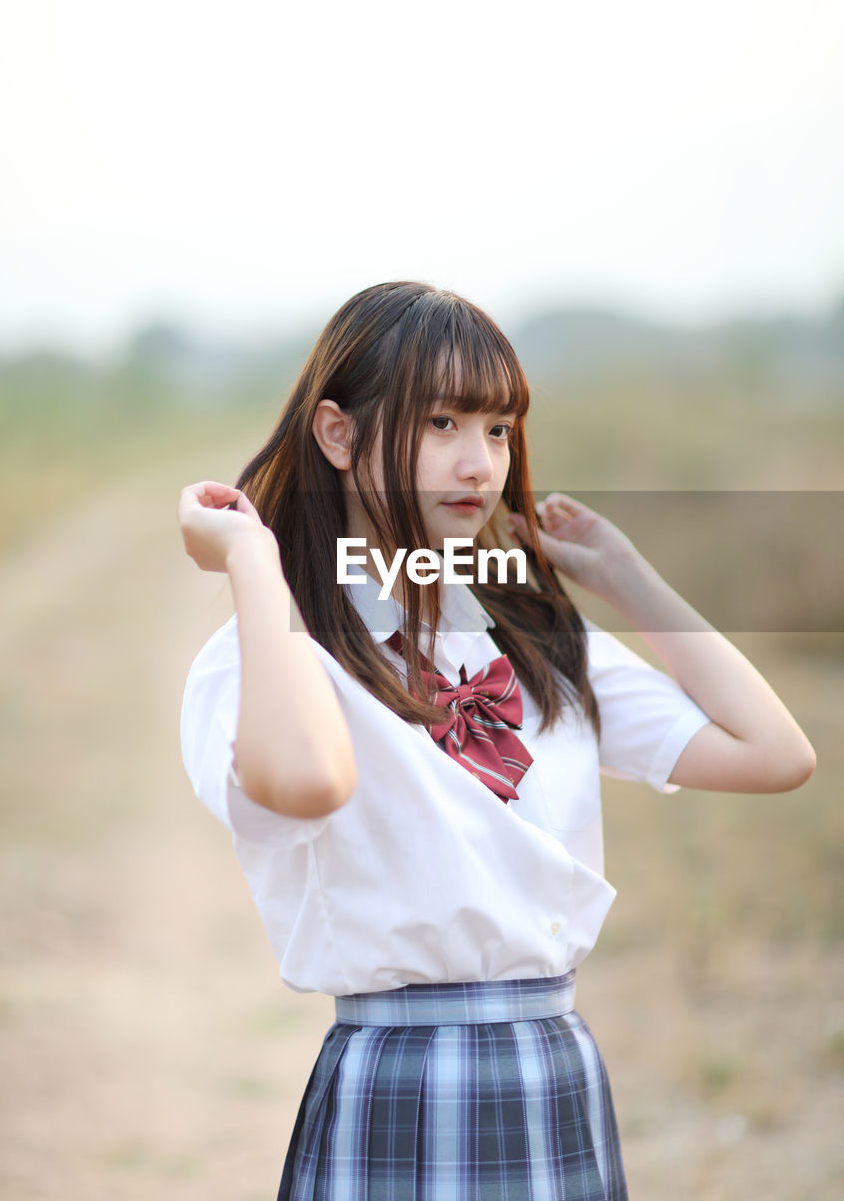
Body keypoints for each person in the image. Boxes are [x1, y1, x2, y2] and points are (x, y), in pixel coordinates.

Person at [177, 280, 815, 1201]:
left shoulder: (533, 642)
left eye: (498, 429)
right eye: (441, 424)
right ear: (337, 434)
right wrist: (252, 563)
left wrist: (629, 580)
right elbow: (309, 779)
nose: (479, 463)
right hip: (396, 1077)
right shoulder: (259, 654)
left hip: (551, 1064)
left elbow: (775, 755)